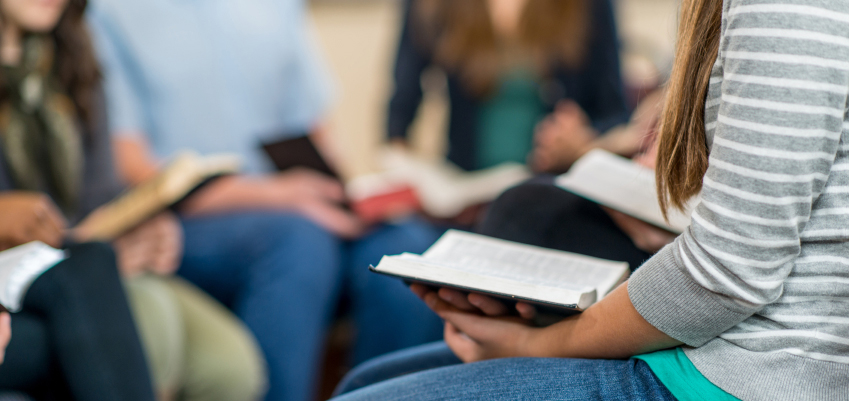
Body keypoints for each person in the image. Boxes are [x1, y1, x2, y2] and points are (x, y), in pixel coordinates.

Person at [331, 0, 849, 399]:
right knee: (367, 377)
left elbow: (727, 275)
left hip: (757, 367)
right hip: (730, 333)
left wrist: (532, 347)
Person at [85, 1, 444, 400]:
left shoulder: (277, 6)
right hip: (190, 217)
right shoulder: (112, 13)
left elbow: (313, 126)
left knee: (404, 245)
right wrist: (280, 196)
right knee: (297, 243)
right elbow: (131, 166)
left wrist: (342, 196)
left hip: (294, 206)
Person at [0, 0, 265, 399]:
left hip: (77, 252)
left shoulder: (70, 53)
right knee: (129, 306)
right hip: (31, 264)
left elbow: (99, 194)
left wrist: (138, 223)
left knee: (228, 366)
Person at [388, 0, 629, 171]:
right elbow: (401, 109)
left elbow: (616, 114)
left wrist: (583, 142)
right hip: (465, 188)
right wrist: (402, 169)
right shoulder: (433, 6)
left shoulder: (588, 6)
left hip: (550, 186)